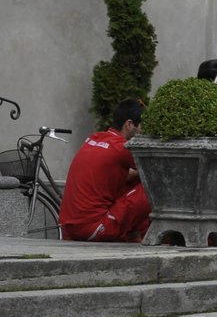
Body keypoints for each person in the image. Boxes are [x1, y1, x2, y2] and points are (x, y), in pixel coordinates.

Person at [58, 98, 151, 243]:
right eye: (142, 126)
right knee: (151, 187)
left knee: (131, 181)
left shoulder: (95, 138)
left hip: (68, 229)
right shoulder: (122, 148)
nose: (144, 131)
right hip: (93, 229)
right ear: (129, 124)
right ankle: (153, 237)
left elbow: (123, 175)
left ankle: (135, 236)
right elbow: (157, 171)